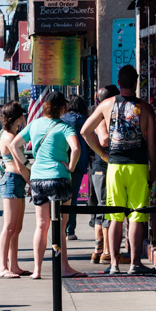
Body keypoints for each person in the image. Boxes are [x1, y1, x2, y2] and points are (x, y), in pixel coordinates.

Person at [81, 65, 156, 276]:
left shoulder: (106, 105)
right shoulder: (145, 108)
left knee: (115, 215)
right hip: (138, 166)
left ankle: (114, 264)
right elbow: (152, 144)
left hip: (114, 166)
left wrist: (103, 153)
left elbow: (85, 131)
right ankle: (135, 263)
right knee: (136, 215)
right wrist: (154, 169)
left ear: (119, 81)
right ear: (135, 82)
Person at [12, 89, 84, 279]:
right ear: (62, 108)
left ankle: (37, 269)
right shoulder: (65, 127)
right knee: (60, 226)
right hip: (60, 178)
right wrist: (71, 166)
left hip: (37, 179)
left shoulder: (34, 125)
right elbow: (76, 148)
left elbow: (14, 145)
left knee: (41, 225)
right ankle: (64, 267)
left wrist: (27, 164)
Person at [0, 101, 31, 278]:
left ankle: (14, 265)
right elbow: (19, 163)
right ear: (18, 117)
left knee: (16, 227)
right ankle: (3, 267)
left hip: (17, 181)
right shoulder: (9, 138)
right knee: (9, 227)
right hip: (12, 180)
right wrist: (31, 180)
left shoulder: (12, 135)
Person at [87, 85, 120, 264]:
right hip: (104, 165)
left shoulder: (98, 112)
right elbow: (104, 138)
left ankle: (98, 250)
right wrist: (104, 152)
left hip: (99, 165)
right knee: (107, 208)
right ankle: (106, 251)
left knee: (101, 209)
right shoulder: (102, 115)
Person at [60, 95, 93, 240]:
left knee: (60, 198)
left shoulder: (61, 120)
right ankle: (70, 230)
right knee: (72, 198)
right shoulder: (85, 121)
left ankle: (59, 228)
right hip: (79, 164)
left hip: (62, 162)